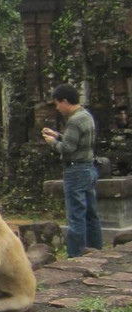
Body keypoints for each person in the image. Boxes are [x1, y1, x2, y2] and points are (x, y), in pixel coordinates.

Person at [43, 83, 102, 257]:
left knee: (76, 215)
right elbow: (77, 141)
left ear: (65, 101)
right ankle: (96, 249)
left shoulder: (74, 120)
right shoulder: (86, 115)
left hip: (75, 171)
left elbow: (68, 148)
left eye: (57, 104)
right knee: (91, 214)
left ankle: (75, 255)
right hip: (88, 168)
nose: (57, 108)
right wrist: (58, 135)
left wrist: (52, 142)